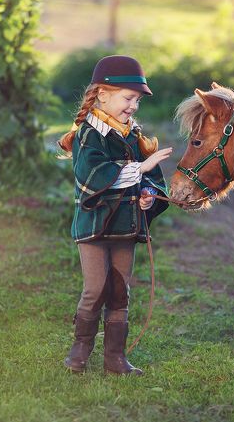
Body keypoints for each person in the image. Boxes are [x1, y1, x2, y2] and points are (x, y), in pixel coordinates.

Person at [57, 55, 172, 375]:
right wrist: (140, 168)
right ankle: (80, 350)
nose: (134, 106)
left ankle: (115, 358)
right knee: (95, 288)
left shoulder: (134, 136)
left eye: (137, 100)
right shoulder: (88, 134)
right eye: (128, 98)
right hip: (93, 228)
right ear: (103, 95)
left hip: (125, 226)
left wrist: (148, 195)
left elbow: (151, 180)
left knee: (120, 291)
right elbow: (92, 176)